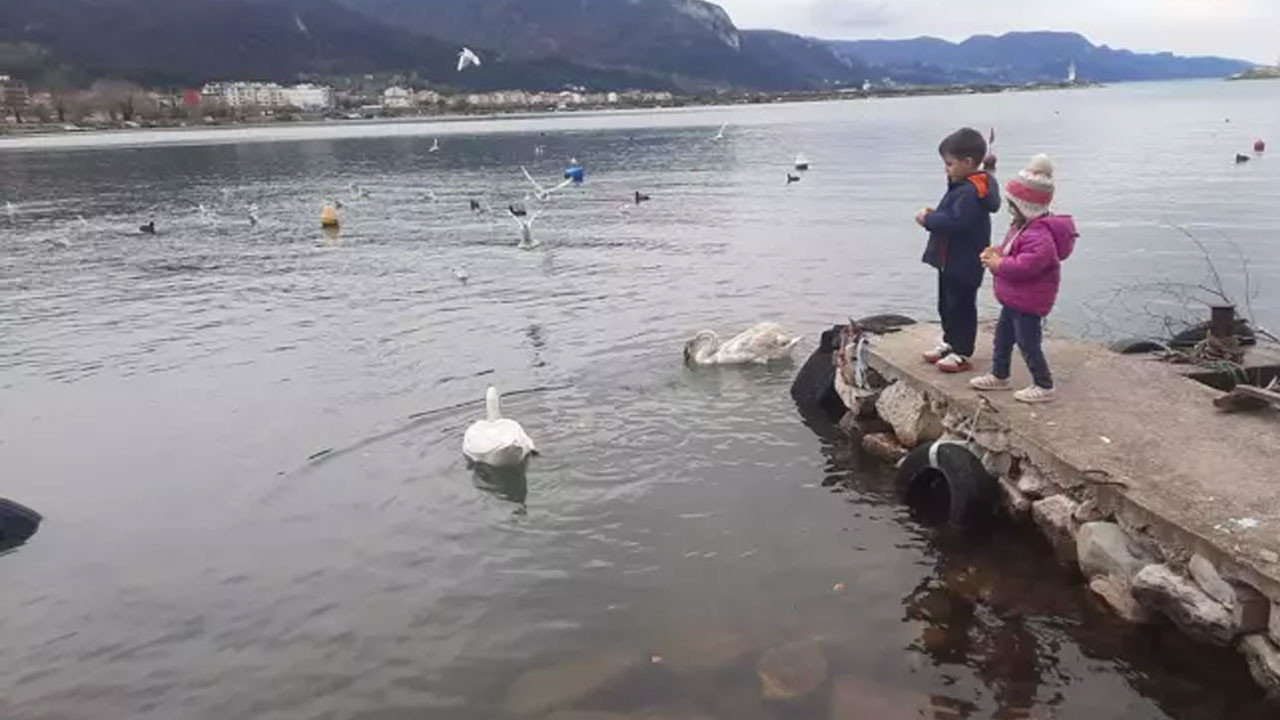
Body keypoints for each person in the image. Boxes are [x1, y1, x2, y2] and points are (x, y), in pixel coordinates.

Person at [970, 154, 1077, 403]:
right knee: (1003, 337)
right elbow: (1014, 250)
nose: (1009, 208)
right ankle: (999, 374)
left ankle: (1044, 384)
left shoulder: (1040, 235)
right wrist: (998, 251)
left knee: (1028, 342)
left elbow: (1027, 265)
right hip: (1014, 298)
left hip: (1030, 300)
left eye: (1012, 204)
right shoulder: (1022, 226)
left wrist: (999, 264)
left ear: (1026, 206)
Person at [915, 128, 1002, 373]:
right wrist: (936, 216)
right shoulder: (964, 185)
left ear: (967, 163)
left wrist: (928, 220)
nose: (946, 169)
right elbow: (953, 216)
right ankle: (950, 342)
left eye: (949, 164)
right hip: (949, 259)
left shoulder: (970, 192)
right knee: (946, 304)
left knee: (961, 306)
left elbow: (957, 223)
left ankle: (962, 351)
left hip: (963, 261)